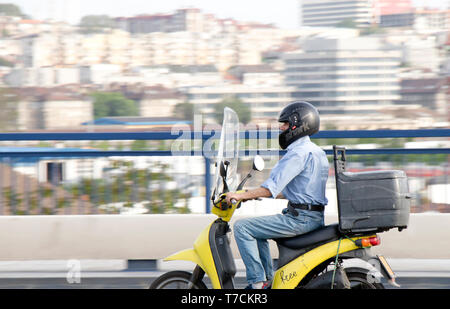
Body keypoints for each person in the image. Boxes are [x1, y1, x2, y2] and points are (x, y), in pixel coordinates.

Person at [225, 101, 329, 289]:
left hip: (300, 220)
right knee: (257, 232)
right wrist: (251, 194)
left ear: (298, 125)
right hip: (312, 216)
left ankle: (257, 284)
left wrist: (239, 196)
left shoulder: (297, 153)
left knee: (242, 228)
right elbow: (301, 190)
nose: (281, 128)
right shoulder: (316, 151)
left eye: (286, 124)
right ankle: (267, 280)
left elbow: (270, 188)